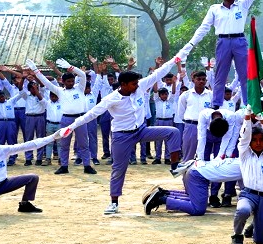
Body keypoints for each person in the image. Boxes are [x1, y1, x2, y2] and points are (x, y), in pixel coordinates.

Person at [55, 50, 187, 215]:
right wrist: (71, 127)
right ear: (123, 84)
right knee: (119, 169)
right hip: (121, 137)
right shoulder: (111, 99)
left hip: (141, 131)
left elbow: (159, 73)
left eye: (137, 83)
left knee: (173, 132)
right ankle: (114, 202)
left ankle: (174, 167)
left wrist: (176, 59)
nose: (137, 86)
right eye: (133, 84)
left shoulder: (140, 86)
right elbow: (91, 114)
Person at [181, 0, 263, 109]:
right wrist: (191, 44)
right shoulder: (214, 9)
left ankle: (248, 104)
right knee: (220, 75)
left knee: (245, 74)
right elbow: (204, 27)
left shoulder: (243, 5)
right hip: (222, 42)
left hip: (239, 41)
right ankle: (216, 104)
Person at [31, 58, 96, 175]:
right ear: (63, 82)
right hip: (66, 119)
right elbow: (46, 82)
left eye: (72, 81)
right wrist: (35, 70)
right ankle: (64, 166)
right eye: (69, 81)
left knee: (83, 144)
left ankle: (87, 166)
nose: (71, 83)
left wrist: (70, 67)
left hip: (80, 119)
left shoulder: (80, 88)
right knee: (64, 144)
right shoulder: (59, 91)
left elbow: (82, 75)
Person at [231, 109, 263, 244]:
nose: (258, 143)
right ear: (249, 143)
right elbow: (244, 137)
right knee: (243, 210)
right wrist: (247, 117)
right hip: (249, 195)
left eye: (261, 140)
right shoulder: (244, 154)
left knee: (261, 241)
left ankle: (255, 225)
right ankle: (237, 236)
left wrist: (262, 120)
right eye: (254, 140)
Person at [143, 157, 242, 216]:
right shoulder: (246, 165)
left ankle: (164, 193)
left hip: (193, 168)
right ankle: (161, 199)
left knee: (191, 197)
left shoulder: (239, 160)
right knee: (198, 209)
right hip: (197, 175)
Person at [176, 71, 212, 161]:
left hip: (206, 127)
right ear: (193, 80)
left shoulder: (211, 95)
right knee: (189, 153)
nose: (201, 81)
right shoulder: (186, 95)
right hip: (191, 126)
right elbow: (181, 113)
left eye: (203, 79)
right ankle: (186, 174)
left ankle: (203, 174)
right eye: (198, 79)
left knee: (205, 153)